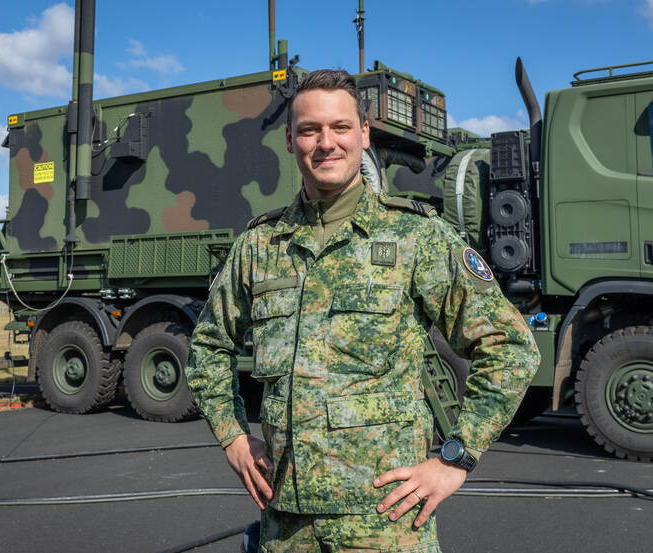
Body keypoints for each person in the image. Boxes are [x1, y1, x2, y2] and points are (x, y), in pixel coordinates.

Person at [185, 69, 539, 552]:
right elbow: (208, 345)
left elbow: (511, 347)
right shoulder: (259, 246)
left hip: (384, 524)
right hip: (284, 525)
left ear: (364, 135)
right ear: (291, 140)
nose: (325, 143)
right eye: (309, 130)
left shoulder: (416, 236)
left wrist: (455, 458)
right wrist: (233, 438)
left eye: (340, 127)